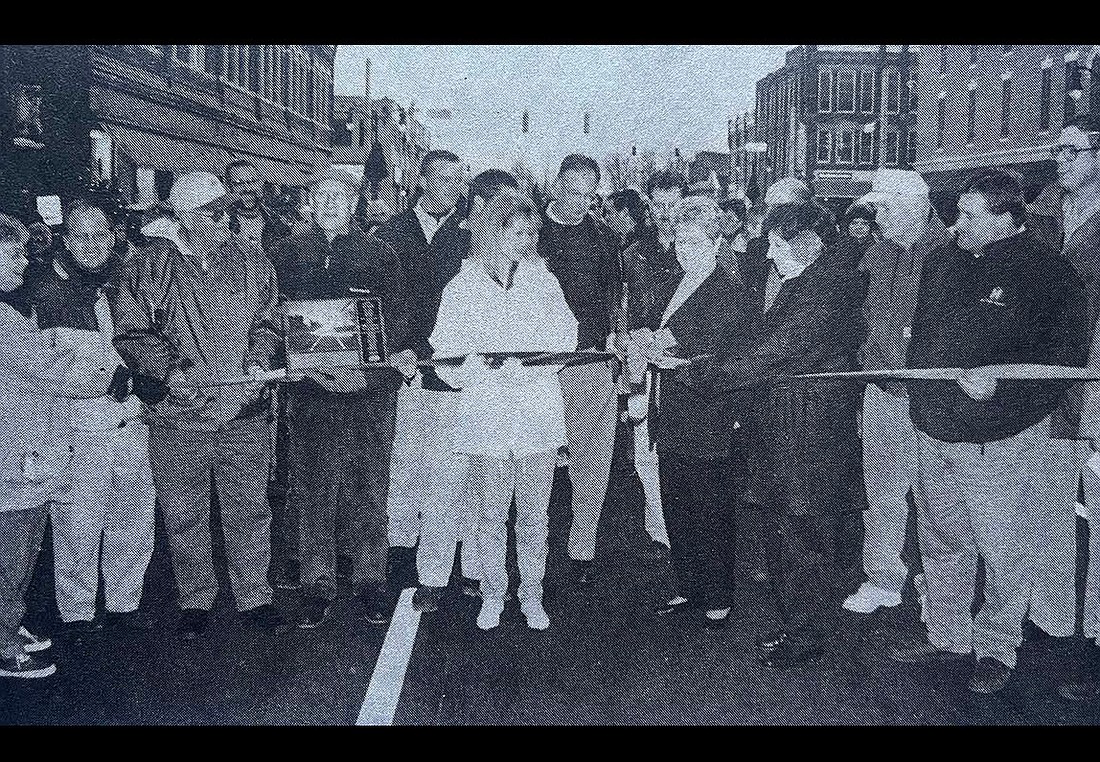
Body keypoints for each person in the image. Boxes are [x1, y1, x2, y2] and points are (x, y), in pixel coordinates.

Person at [889, 168, 1087, 695]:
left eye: (972, 216)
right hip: (934, 430)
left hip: (1002, 438)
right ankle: (948, 636)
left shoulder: (1051, 274)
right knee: (941, 542)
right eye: (957, 213)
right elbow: (923, 340)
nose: (958, 225)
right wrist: (922, 406)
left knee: (1003, 549)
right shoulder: (942, 260)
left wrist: (1001, 391)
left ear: (1008, 218)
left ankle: (998, 646)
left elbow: (1062, 364)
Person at [113, 171, 287, 640]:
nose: (216, 218)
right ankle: (195, 597)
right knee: (183, 512)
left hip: (242, 413)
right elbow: (131, 332)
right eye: (204, 211)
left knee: (248, 509)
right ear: (181, 217)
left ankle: (255, 594)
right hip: (177, 416)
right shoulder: (148, 266)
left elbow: (269, 323)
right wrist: (173, 373)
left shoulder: (254, 260)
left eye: (219, 209)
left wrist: (257, 359)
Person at [707, 200, 865, 669]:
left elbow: (775, 353)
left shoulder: (829, 287)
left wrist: (699, 373)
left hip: (806, 430)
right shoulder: (809, 280)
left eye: (778, 245)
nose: (769, 255)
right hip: (786, 425)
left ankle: (806, 634)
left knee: (803, 530)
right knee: (789, 528)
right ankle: (796, 622)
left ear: (809, 243)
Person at [269, 169, 411, 628]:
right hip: (311, 392)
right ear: (310, 201)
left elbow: (400, 321)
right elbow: (272, 321)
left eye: (341, 198)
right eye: (322, 196)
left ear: (356, 204)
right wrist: (294, 367)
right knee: (312, 487)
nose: (331, 205)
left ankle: (371, 579)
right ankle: (316, 583)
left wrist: (373, 374)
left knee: (368, 487)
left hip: (368, 391)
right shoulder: (285, 255)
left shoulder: (381, 255)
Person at [431, 189, 577, 630]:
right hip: (486, 413)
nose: (524, 242)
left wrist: (528, 368)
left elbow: (566, 338)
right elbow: (444, 349)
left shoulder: (545, 282)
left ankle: (532, 593)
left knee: (535, 514)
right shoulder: (462, 285)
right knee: (490, 513)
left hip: (536, 414)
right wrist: (477, 367)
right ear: (493, 232)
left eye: (530, 234)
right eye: (516, 233)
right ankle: (494, 592)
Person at [31, 199, 156, 634]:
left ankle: (125, 602)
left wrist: (145, 374)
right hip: (80, 427)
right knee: (78, 525)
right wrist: (102, 381)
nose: (92, 244)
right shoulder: (46, 294)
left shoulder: (125, 283)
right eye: (81, 235)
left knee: (133, 518)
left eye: (100, 234)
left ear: (113, 236)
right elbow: (42, 370)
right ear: (65, 239)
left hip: (131, 422)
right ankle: (78, 612)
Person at [0, 213, 111, 678]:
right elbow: (50, 370)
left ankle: (7, 624)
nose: (24, 258)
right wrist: (110, 376)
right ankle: (4, 645)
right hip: (17, 452)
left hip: (30, 445)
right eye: (12, 251)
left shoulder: (9, 310)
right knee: (13, 551)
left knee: (20, 548)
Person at [637, 196, 752, 630]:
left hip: (708, 416)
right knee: (677, 503)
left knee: (710, 507)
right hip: (670, 411)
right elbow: (658, 332)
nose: (683, 250)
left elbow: (725, 355)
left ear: (715, 240)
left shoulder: (728, 292)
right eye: (678, 240)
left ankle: (718, 595)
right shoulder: (675, 282)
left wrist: (669, 354)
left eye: (693, 241)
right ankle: (689, 584)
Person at [411, 168, 521, 612]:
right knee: (444, 484)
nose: (513, 216)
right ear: (482, 204)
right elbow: (429, 314)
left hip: (499, 393)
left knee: (488, 487)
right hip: (451, 386)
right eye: (505, 206)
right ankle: (433, 575)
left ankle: (477, 568)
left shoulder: (522, 261)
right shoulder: (451, 249)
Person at [842, 170, 945, 615]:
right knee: (881, 493)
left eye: (884, 207)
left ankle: (937, 590)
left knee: (938, 502)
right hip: (883, 392)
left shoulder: (951, 252)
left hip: (934, 399)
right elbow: (863, 316)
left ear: (912, 207)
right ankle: (883, 578)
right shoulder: (878, 252)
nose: (876, 216)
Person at [373, 150, 467, 584]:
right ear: (421, 180)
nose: (451, 188)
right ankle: (398, 544)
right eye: (443, 179)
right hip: (402, 366)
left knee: (446, 466)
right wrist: (396, 351)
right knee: (403, 462)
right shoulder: (389, 234)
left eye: (458, 182)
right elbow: (374, 303)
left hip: (447, 368)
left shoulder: (468, 240)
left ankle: (443, 552)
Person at [539, 154, 622, 583]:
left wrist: (615, 342)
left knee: (591, 460)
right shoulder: (528, 232)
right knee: (532, 461)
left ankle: (582, 547)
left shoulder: (605, 239)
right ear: (556, 184)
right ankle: (530, 548)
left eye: (588, 195)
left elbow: (615, 300)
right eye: (572, 192)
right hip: (535, 367)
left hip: (588, 363)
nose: (579, 203)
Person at [1044, 114, 1100, 702]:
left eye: (1073, 149)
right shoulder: (1057, 215)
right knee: (1073, 517)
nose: (1061, 157)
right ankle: (1072, 632)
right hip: (1067, 387)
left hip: (1087, 388)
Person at [605, 188, 667, 553]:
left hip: (644, 359)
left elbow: (638, 312)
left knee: (648, 450)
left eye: (613, 213)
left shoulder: (635, 256)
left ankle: (660, 529)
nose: (609, 220)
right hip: (648, 358)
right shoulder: (649, 251)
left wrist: (632, 367)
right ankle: (658, 524)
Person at [226, 159, 291, 254]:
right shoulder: (223, 222)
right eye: (239, 183)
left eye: (252, 181)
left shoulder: (275, 219)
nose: (247, 188)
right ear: (228, 188)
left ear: (259, 184)